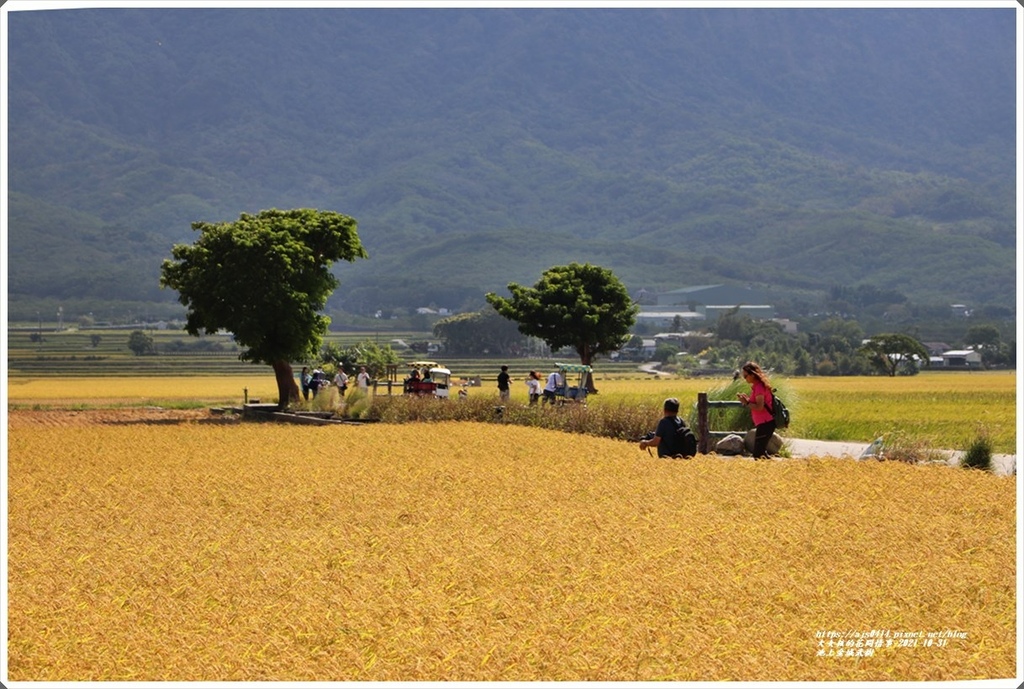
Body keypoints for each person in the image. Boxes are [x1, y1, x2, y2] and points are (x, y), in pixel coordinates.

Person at [737, 361, 777, 459]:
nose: (744, 378)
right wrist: (747, 400)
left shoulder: (759, 387)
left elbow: (759, 407)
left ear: (753, 374)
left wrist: (746, 403)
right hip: (765, 423)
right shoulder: (757, 387)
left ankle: (768, 472)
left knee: (758, 454)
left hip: (765, 423)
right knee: (761, 453)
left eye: (746, 376)